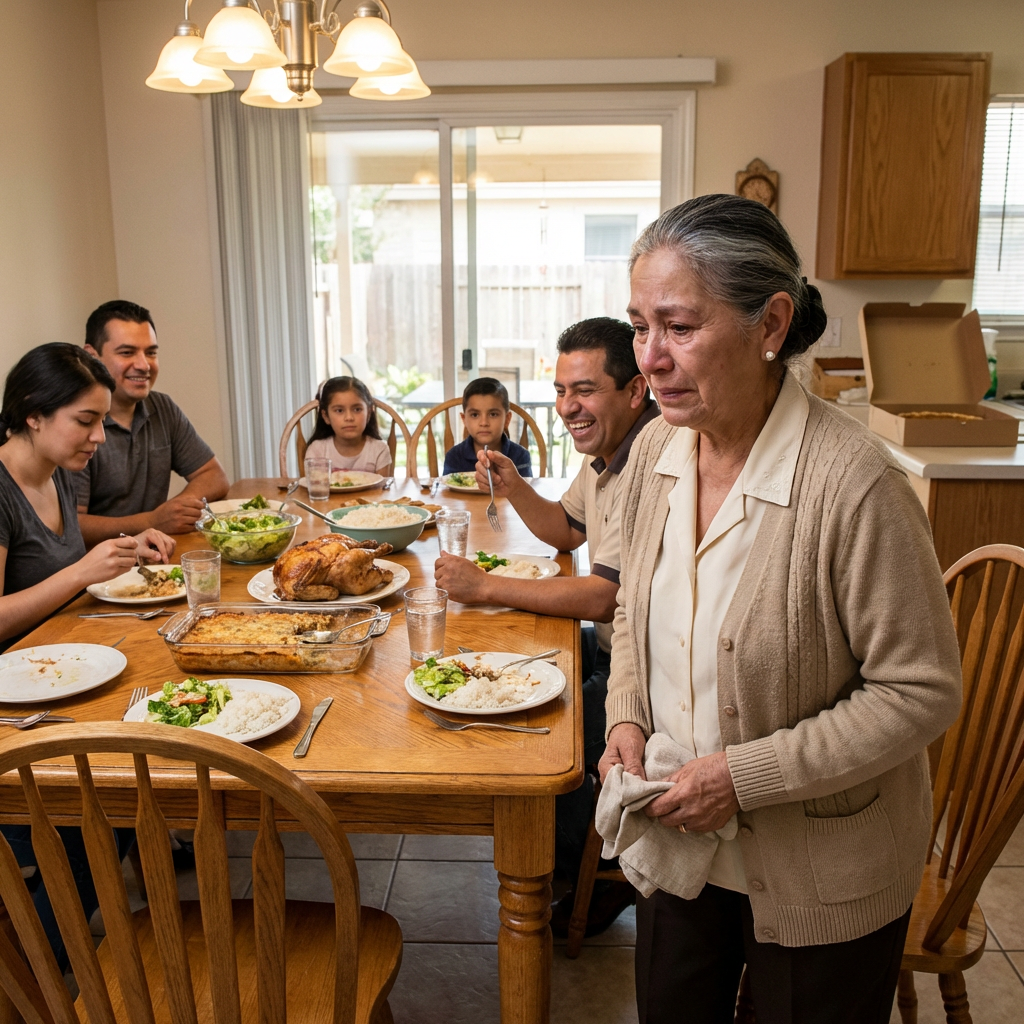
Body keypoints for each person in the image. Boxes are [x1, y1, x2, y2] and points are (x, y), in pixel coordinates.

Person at [600, 194, 962, 1024]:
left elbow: (921, 691)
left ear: (769, 324)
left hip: (820, 870)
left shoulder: (854, 485)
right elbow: (633, 611)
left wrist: (742, 777)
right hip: (677, 835)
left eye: (679, 327)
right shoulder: (657, 446)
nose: (648, 358)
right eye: (639, 326)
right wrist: (625, 717)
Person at [434, 317, 659, 934]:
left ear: (635, 390)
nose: (566, 407)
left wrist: (485, 587)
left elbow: (602, 597)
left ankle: (588, 877)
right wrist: (515, 486)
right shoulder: (608, 452)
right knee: (516, 663)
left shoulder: (651, 459)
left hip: (646, 674)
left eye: (583, 390)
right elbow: (567, 529)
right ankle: (565, 859)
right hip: (617, 648)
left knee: (545, 733)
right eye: (560, 391)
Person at [0, 342, 174, 971]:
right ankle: (37, 980)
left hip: (59, 682)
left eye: (103, 420)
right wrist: (80, 572)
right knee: (92, 825)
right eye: (86, 420)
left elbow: (63, 571)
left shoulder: (56, 476)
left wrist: (127, 543)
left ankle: (80, 944)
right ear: (31, 414)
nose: (101, 436)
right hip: (12, 718)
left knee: (136, 788)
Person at [75, 300, 229, 542]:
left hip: (157, 556)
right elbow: (70, 526)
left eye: (151, 352)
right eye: (127, 352)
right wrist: (152, 521)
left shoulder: (162, 408)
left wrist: (175, 512)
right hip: (100, 570)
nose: (144, 365)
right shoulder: (75, 423)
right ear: (91, 355)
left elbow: (214, 476)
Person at [442, 377, 532, 477]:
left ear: (507, 419)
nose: (484, 423)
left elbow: (525, 491)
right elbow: (448, 490)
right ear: (464, 419)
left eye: (493, 414)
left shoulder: (520, 456)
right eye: (475, 415)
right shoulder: (454, 457)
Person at [304, 376, 393, 475]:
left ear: (368, 413)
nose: (349, 417)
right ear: (326, 416)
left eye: (357, 409)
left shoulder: (379, 449)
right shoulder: (317, 450)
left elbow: (382, 489)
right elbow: (316, 488)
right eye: (339, 410)